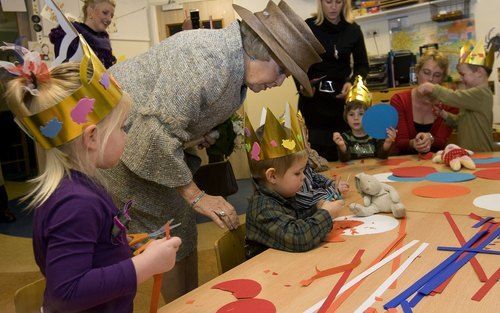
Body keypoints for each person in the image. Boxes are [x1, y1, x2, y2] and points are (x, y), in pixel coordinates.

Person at [100, 0, 326, 302]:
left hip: (144, 145)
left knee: (179, 231)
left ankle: (187, 301)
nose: (280, 81)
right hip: (120, 150)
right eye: (283, 70)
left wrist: (198, 136)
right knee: (168, 234)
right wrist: (197, 195)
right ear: (263, 51)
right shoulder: (205, 60)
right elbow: (153, 133)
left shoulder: (235, 67)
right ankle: (183, 305)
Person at [1, 38, 180, 312]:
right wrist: (145, 266)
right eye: (121, 128)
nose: (125, 136)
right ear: (92, 137)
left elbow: (89, 254)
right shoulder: (75, 203)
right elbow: (67, 292)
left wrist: (122, 250)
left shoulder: (79, 187)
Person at [244, 107, 341, 259]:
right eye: (297, 173)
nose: (304, 177)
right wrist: (326, 215)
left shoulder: (283, 194)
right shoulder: (262, 208)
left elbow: (297, 217)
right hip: (269, 273)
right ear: (272, 176)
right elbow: (299, 237)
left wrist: (315, 208)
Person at [298, 0, 369, 161]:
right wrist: (303, 85)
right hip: (313, 102)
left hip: (342, 105)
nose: (333, 7)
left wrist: (352, 83)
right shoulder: (308, 27)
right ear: (320, 3)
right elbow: (297, 63)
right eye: (328, 1)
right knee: (314, 157)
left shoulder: (353, 30)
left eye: (338, 2)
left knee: (344, 154)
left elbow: (362, 66)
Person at [417, 40, 499, 151]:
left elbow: (454, 97)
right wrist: (444, 114)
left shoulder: (482, 93)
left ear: (479, 72)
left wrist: (431, 87)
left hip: (481, 155)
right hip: (470, 155)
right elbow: (460, 122)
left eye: (463, 74)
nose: (461, 78)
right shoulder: (472, 98)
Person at [390, 50, 458, 154]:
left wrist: (430, 138)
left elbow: (441, 141)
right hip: (405, 162)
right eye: (426, 72)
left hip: (436, 162)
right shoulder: (399, 100)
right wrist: (415, 143)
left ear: (442, 79)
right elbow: (400, 142)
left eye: (437, 75)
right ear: (417, 72)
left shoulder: (449, 103)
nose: (430, 79)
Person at [333, 76, 396, 161]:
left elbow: (382, 156)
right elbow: (344, 160)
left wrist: (388, 142)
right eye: (351, 114)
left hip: (373, 172)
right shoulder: (345, 138)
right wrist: (342, 146)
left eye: (361, 114)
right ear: (346, 117)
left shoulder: (375, 135)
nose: (356, 118)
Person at [50, 0, 117, 68]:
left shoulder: (104, 41)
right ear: (90, 11)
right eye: (105, 13)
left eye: (111, 16)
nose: (109, 19)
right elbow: (64, 70)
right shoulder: (71, 32)